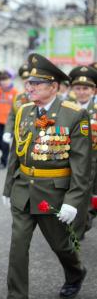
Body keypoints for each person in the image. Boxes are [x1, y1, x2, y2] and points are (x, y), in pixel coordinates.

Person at [2, 53, 89, 299]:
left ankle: (76, 272)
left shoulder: (73, 114)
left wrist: (73, 200)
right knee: (18, 247)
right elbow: (15, 154)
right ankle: (16, 295)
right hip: (23, 190)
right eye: (29, 83)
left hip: (53, 193)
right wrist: (8, 187)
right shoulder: (24, 111)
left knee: (61, 245)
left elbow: (81, 167)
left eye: (36, 83)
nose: (29, 87)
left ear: (54, 86)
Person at [69, 65, 97, 239]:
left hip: (94, 159)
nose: (81, 92)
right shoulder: (67, 108)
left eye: (85, 88)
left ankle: (85, 221)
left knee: (89, 197)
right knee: (79, 195)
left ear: (93, 90)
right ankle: (77, 229)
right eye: (78, 88)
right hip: (71, 159)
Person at [0, 70, 17, 169]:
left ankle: (3, 161)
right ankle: (7, 153)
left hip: (8, 122)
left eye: (6, 80)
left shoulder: (15, 92)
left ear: (10, 80)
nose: (4, 82)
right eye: (2, 80)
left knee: (4, 141)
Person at [3, 63, 31, 144]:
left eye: (28, 78)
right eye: (24, 78)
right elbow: (12, 115)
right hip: (19, 136)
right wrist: (7, 131)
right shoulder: (18, 97)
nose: (26, 80)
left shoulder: (40, 96)